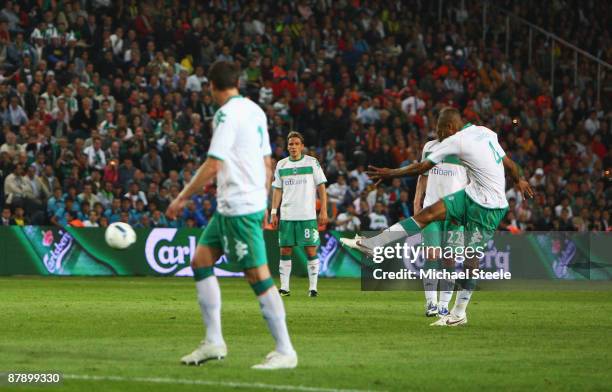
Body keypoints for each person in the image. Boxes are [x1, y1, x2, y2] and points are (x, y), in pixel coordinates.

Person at [342, 107, 534, 326]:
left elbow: (422, 167)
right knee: (428, 214)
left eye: (440, 130)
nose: (438, 135)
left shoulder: (456, 141)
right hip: (471, 194)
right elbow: (509, 162)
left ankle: (459, 313)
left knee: (471, 260)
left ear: (449, 128)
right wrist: (520, 179)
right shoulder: (484, 131)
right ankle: (375, 244)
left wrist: (390, 173)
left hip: (489, 208)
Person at [165, 61, 297, 369]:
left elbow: (214, 164)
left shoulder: (224, 115)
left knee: (257, 275)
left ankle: (285, 350)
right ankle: (213, 341)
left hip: (239, 206)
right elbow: (267, 161)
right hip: (235, 205)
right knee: (200, 260)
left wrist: (182, 197)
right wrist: (265, 201)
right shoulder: (255, 111)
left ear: (211, 85)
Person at [413, 121, 469, 317]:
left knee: (450, 259)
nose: (441, 131)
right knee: (431, 255)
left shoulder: (466, 150)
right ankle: (431, 303)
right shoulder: (429, 147)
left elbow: (472, 182)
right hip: (431, 210)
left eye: (445, 127)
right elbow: (422, 175)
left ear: (454, 128)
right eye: (438, 127)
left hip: (456, 212)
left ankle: (444, 304)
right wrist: (416, 202)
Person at [270, 131, 328, 297]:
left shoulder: (312, 162)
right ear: (287, 147)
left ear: (302, 146)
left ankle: (313, 288)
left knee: (310, 250)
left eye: (296, 144)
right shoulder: (281, 165)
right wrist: (274, 211)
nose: (293, 147)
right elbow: (277, 190)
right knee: (285, 250)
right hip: (287, 216)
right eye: (290, 144)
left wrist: (323, 210)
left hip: (307, 216)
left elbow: (321, 187)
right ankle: (285, 288)